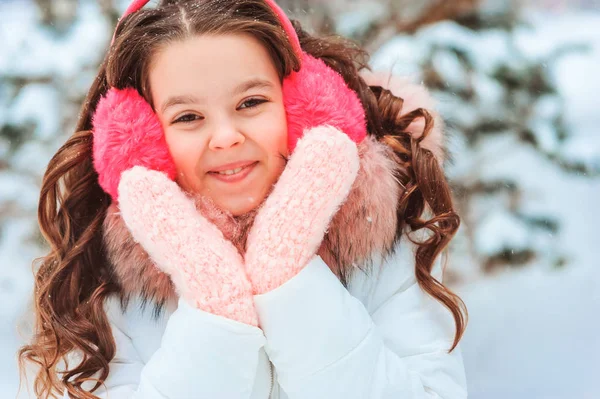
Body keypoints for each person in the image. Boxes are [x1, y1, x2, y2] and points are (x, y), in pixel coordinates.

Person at [18, 0, 468, 398]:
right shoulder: (108, 282)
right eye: (189, 116)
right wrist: (213, 298)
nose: (227, 137)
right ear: (139, 139)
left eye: (251, 102)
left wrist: (288, 276)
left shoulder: (378, 240)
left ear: (305, 105)